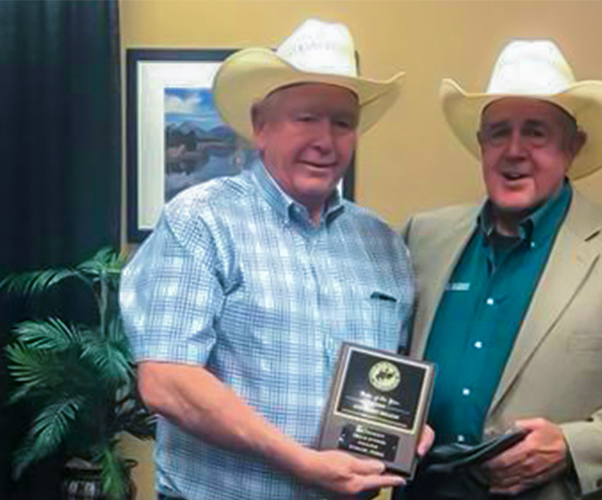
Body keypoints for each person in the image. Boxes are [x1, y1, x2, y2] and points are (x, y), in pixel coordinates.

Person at [120, 19, 430, 500]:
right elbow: (167, 381)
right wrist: (302, 462)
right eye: (305, 118)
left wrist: (411, 429)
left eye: (342, 122)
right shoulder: (201, 220)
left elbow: (392, 378)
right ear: (261, 125)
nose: (325, 140)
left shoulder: (383, 244)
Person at [402, 40, 602, 500]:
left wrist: (572, 446)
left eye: (536, 132)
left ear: (573, 147)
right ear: (480, 145)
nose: (514, 151)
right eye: (498, 132)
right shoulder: (422, 238)